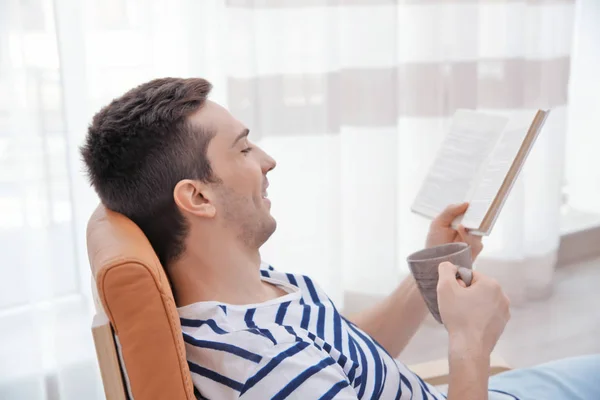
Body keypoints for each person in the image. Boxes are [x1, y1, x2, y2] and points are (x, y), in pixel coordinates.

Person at [81, 77, 599, 400]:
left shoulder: (254, 292)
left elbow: (351, 350)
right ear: (197, 197)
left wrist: (432, 263)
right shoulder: (268, 369)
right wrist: (470, 346)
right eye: (242, 150)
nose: (267, 161)